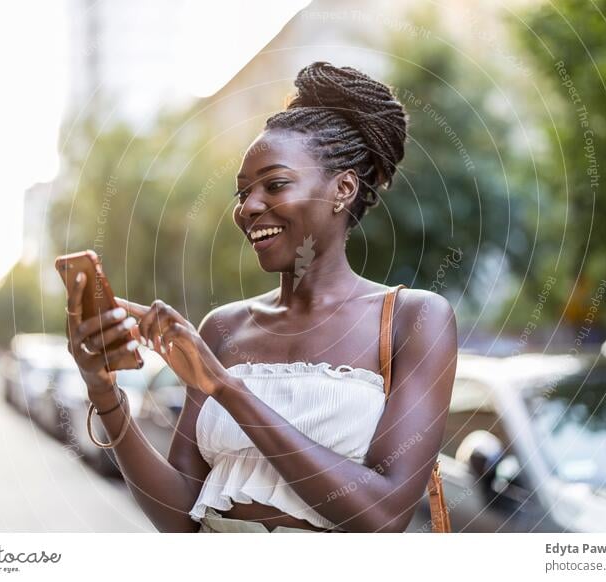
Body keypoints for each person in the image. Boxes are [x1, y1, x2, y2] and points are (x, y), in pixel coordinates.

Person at [64, 61, 457, 532]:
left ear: (343, 189)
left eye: (274, 184)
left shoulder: (413, 320)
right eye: (242, 192)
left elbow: (384, 514)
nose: (248, 208)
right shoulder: (224, 328)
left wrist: (226, 389)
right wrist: (103, 391)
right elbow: (180, 519)